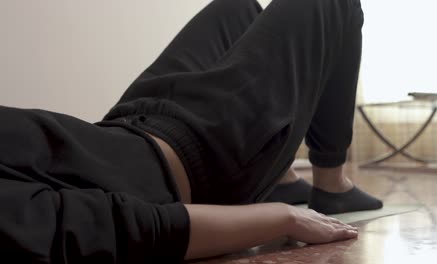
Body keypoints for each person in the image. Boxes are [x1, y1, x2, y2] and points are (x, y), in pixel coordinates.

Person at [0, 0, 382, 263]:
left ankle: (282, 177)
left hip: (132, 122)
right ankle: (332, 184)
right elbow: (114, 230)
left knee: (234, 8)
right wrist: (282, 217)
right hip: (201, 160)